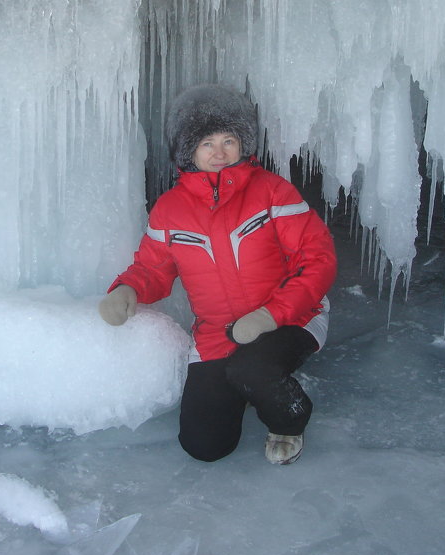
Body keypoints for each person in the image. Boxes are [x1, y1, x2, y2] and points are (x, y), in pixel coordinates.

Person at [98, 84, 337, 465]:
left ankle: (288, 421)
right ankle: (247, 385)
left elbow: (318, 258)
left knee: (253, 366)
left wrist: (269, 315)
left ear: (243, 143)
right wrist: (127, 289)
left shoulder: (272, 192)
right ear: (187, 149)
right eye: (207, 143)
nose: (220, 152)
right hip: (217, 335)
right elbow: (153, 267)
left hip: (292, 318)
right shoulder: (169, 209)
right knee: (205, 445)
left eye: (229, 140)